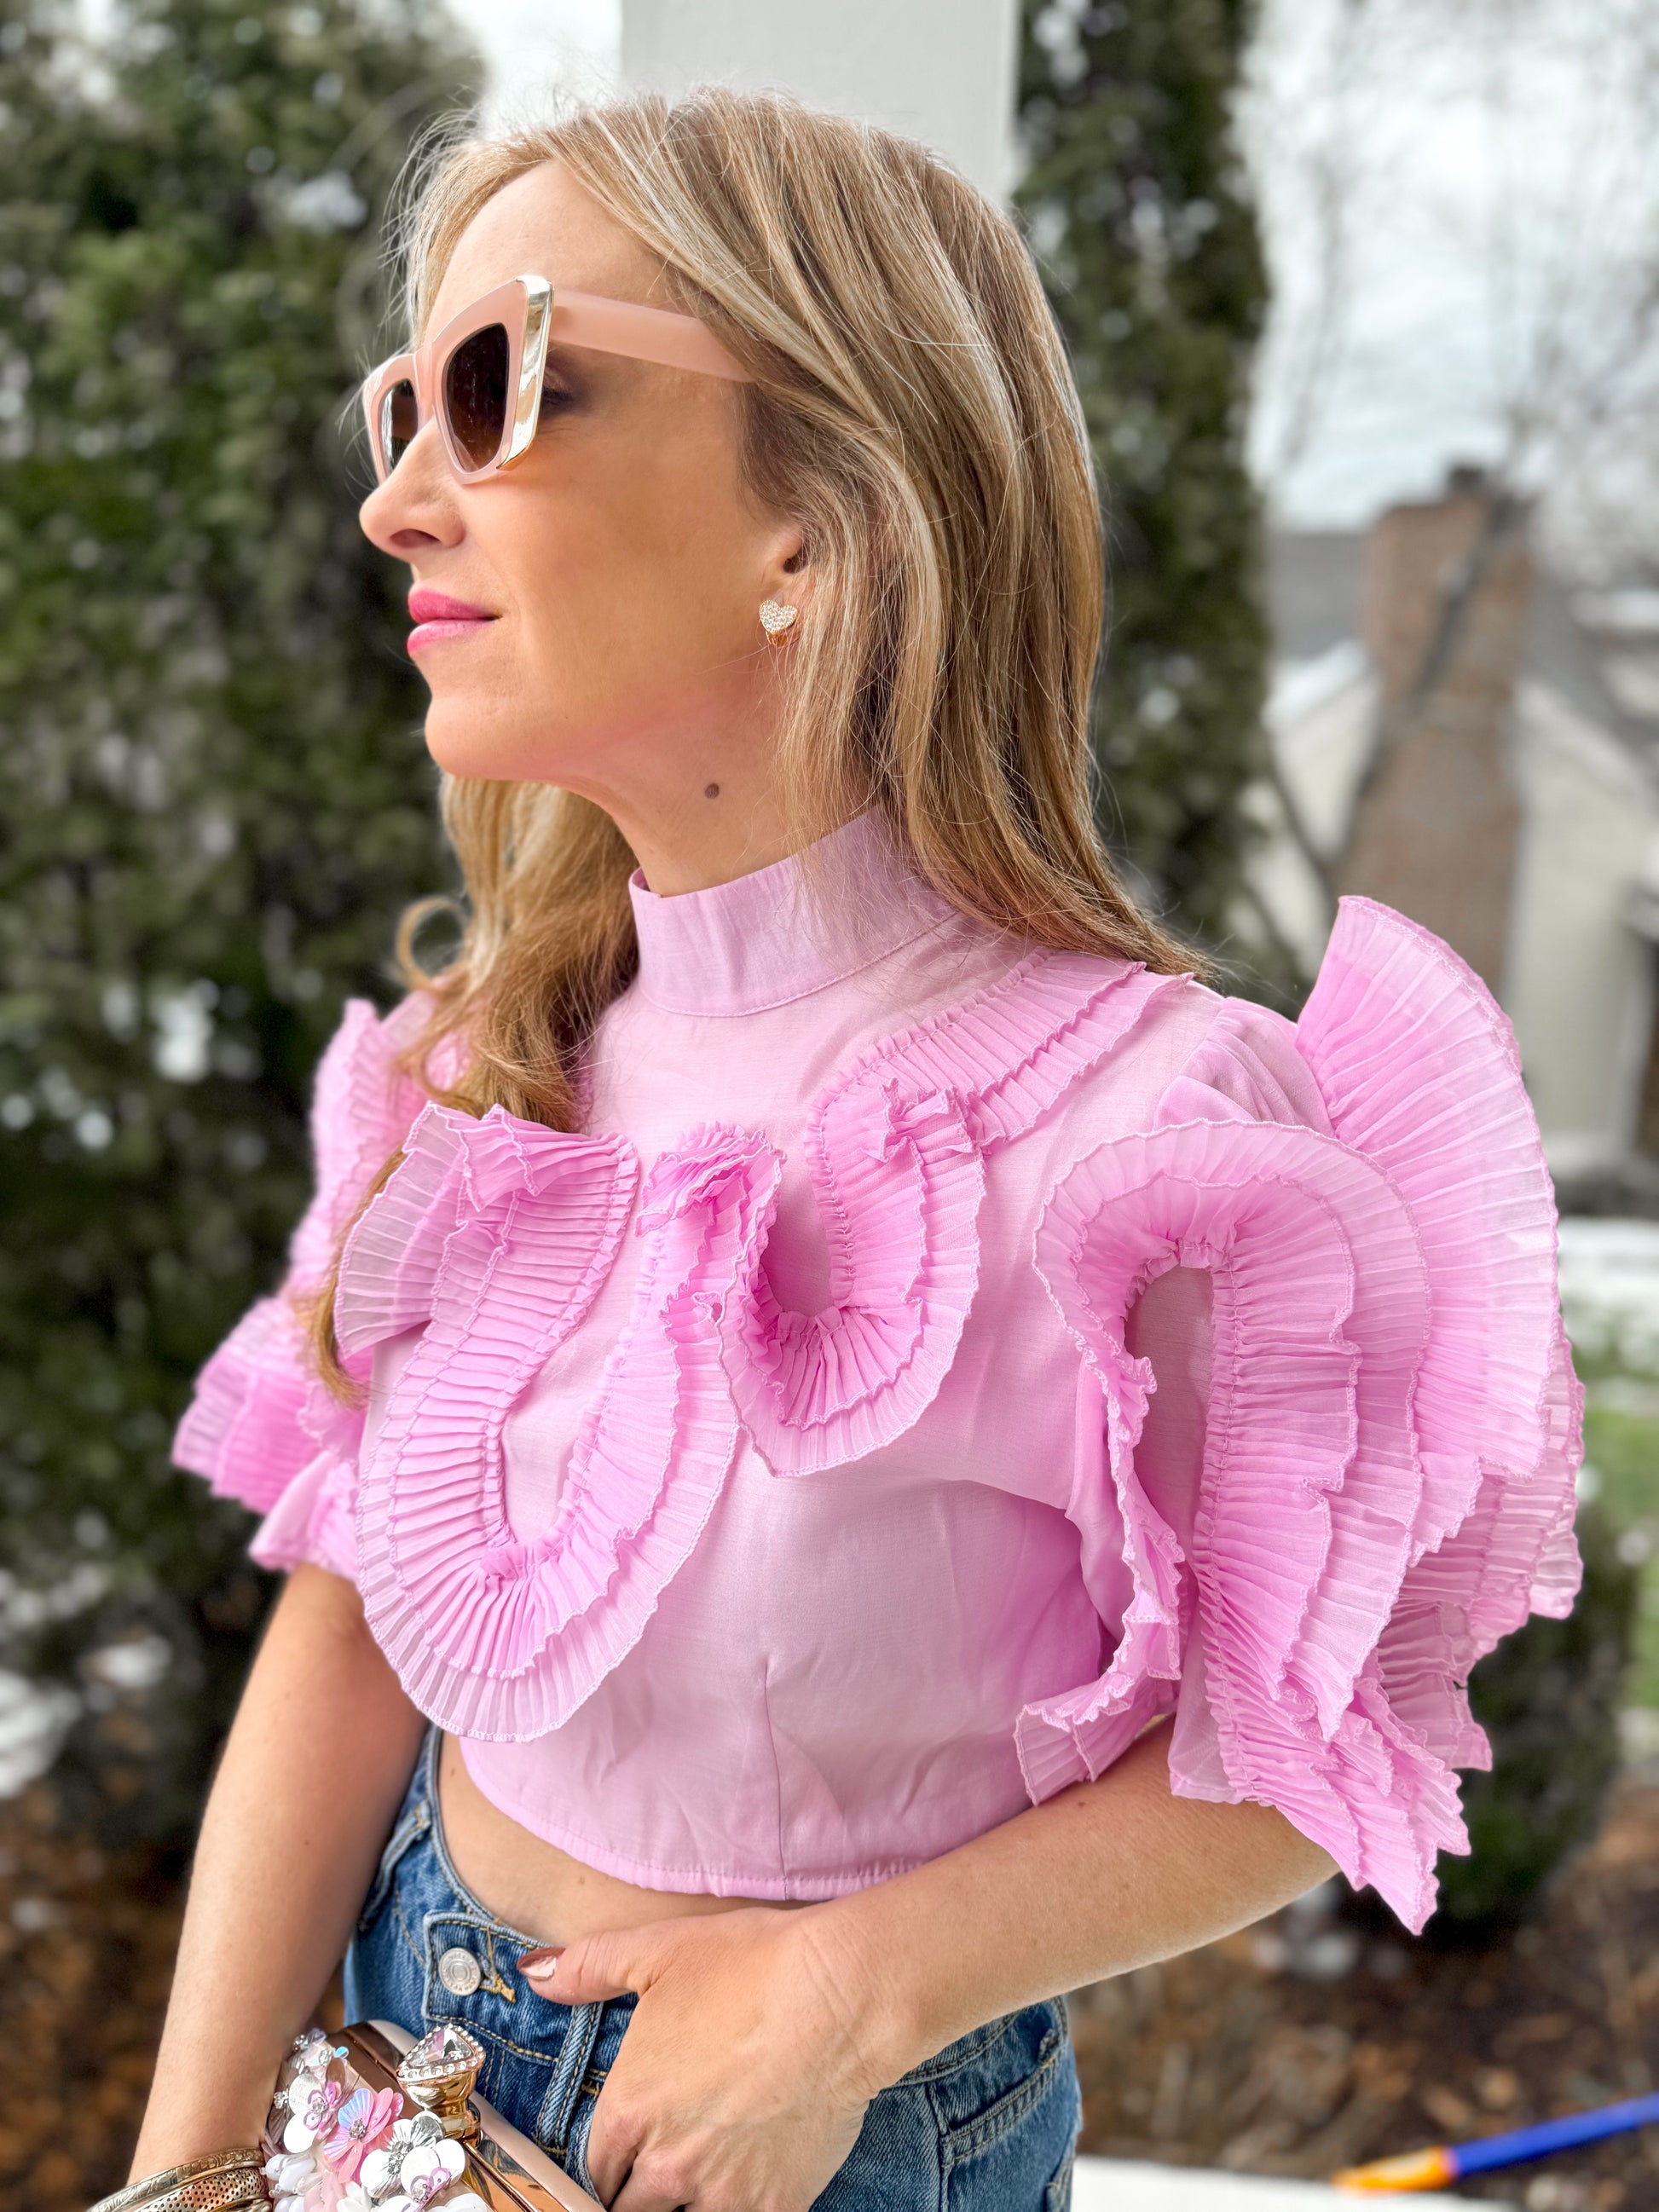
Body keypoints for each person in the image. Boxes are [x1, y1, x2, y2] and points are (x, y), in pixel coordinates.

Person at [126, 85, 1581, 2212]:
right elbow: (352, 1620)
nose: (401, 505)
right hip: (371, 2086)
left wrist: (851, 1996)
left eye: (495, 385)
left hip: (825, 2144)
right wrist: (180, 2171)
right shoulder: (483, 1063)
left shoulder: (1153, 1139)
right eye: (396, 412)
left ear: (817, 512)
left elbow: (1304, 1749)